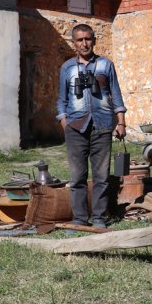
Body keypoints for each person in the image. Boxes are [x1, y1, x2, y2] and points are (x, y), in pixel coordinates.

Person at [56, 24, 126, 228]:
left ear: (94, 40)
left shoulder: (106, 65)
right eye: (79, 40)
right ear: (74, 43)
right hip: (75, 127)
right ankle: (79, 219)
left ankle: (99, 218)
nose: (84, 44)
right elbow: (61, 99)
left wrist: (121, 121)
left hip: (102, 125)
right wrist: (64, 122)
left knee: (101, 176)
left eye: (87, 39)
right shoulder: (67, 68)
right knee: (77, 177)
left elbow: (116, 95)